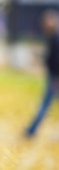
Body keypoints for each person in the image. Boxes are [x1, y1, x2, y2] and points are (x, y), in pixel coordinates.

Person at [25, 9, 59, 137]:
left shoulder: (56, 38)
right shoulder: (52, 37)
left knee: (45, 105)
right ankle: (32, 130)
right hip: (54, 76)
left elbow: (56, 60)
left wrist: (56, 78)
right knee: (45, 104)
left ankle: (31, 131)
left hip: (55, 77)